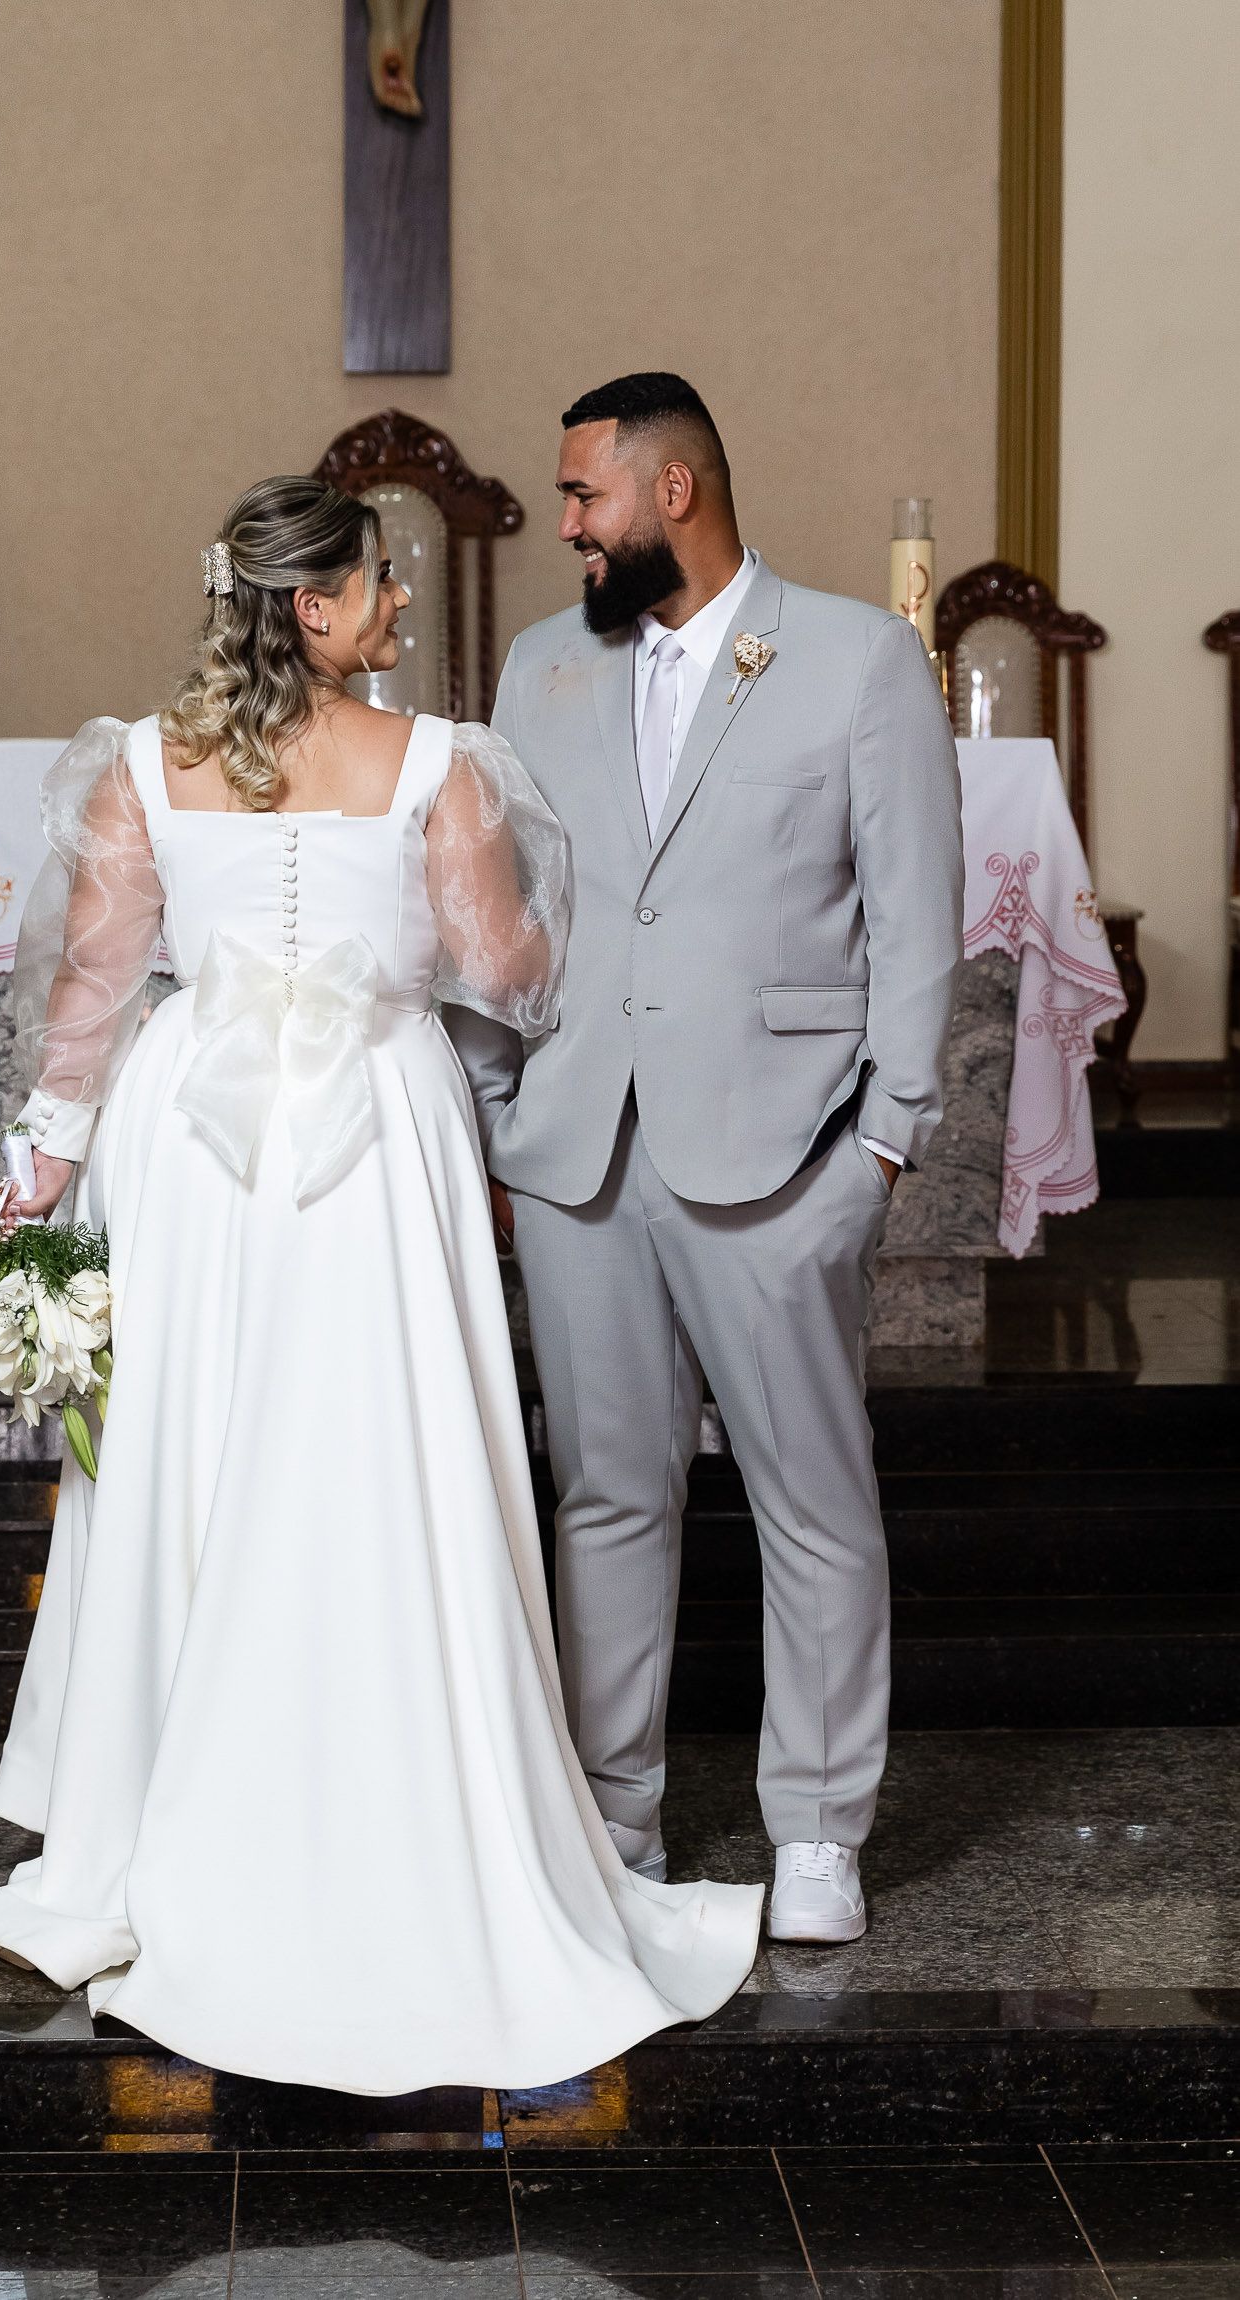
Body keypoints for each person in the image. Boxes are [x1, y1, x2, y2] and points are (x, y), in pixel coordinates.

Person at [0, 475, 762, 2093]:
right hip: (376, 1136)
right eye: (379, 583)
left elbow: (93, 1000)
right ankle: (400, 1814)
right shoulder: (440, 762)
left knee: (191, 1460)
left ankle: (164, 1814)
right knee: (380, 1463)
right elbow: (505, 972)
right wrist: (459, 955)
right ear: (311, 606)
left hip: (187, 1150)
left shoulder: (137, 762)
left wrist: (39, 1162)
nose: (400, 603)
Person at [446, 375, 964, 1945]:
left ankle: (816, 1828)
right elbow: (493, 916)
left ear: (674, 493)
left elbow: (916, 914)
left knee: (811, 1496)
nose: (565, 524)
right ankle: (616, 1817)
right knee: (605, 1492)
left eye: (582, 495)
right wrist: (486, 1119)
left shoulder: (858, 660)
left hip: (783, 1148)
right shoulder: (539, 667)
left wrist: (881, 1143)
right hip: (578, 1148)